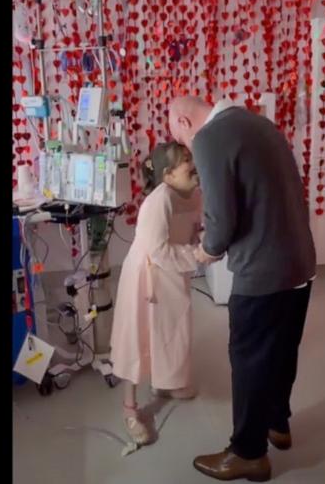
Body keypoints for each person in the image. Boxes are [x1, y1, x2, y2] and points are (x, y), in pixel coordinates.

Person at [169, 95, 316, 482]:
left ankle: (249, 453)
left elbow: (220, 219)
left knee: (249, 357)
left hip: (263, 271)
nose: (188, 150)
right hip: (299, 262)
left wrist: (205, 251)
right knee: (282, 348)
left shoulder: (210, 137)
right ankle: (277, 424)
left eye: (181, 141)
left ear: (184, 122)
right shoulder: (259, 124)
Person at [109, 141, 203, 445]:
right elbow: (159, 251)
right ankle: (129, 408)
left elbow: (190, 229)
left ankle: (165, 382)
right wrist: (199, 254)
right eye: (185, 160)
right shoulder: (159, 199)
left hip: (170, 276)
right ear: (167, 175)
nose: (192, 163)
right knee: (137, 338)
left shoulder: (189, 193)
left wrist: (200, 240)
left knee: (170, 329)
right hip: (146, 276)